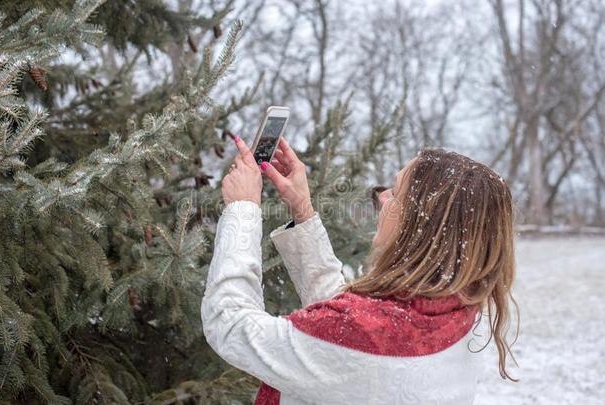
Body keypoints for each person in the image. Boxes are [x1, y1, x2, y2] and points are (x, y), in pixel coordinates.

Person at [201, 135, 518, 405]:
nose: (382, 198)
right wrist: (302, 210)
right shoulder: (455, 315)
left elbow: (231, 324)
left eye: (395, 193)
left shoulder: (370, 339)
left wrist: (242, 208)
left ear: (421, 226)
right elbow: (346, 338)